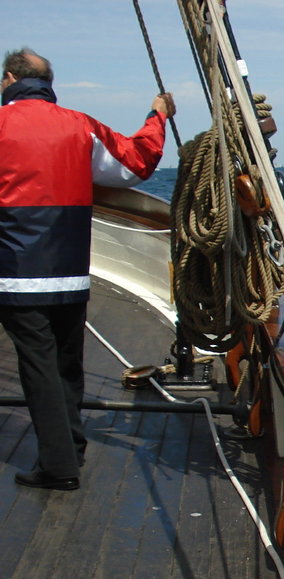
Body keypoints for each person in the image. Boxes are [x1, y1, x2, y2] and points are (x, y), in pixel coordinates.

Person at [0, 47, 174, 491]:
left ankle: (58, 466)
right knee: (66, 362)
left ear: (8, 79)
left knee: (37, 366)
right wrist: (156, 117)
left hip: (17, 272)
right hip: (72, 270)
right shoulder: (81, 126)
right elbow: (135, 163)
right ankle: (73, 445)